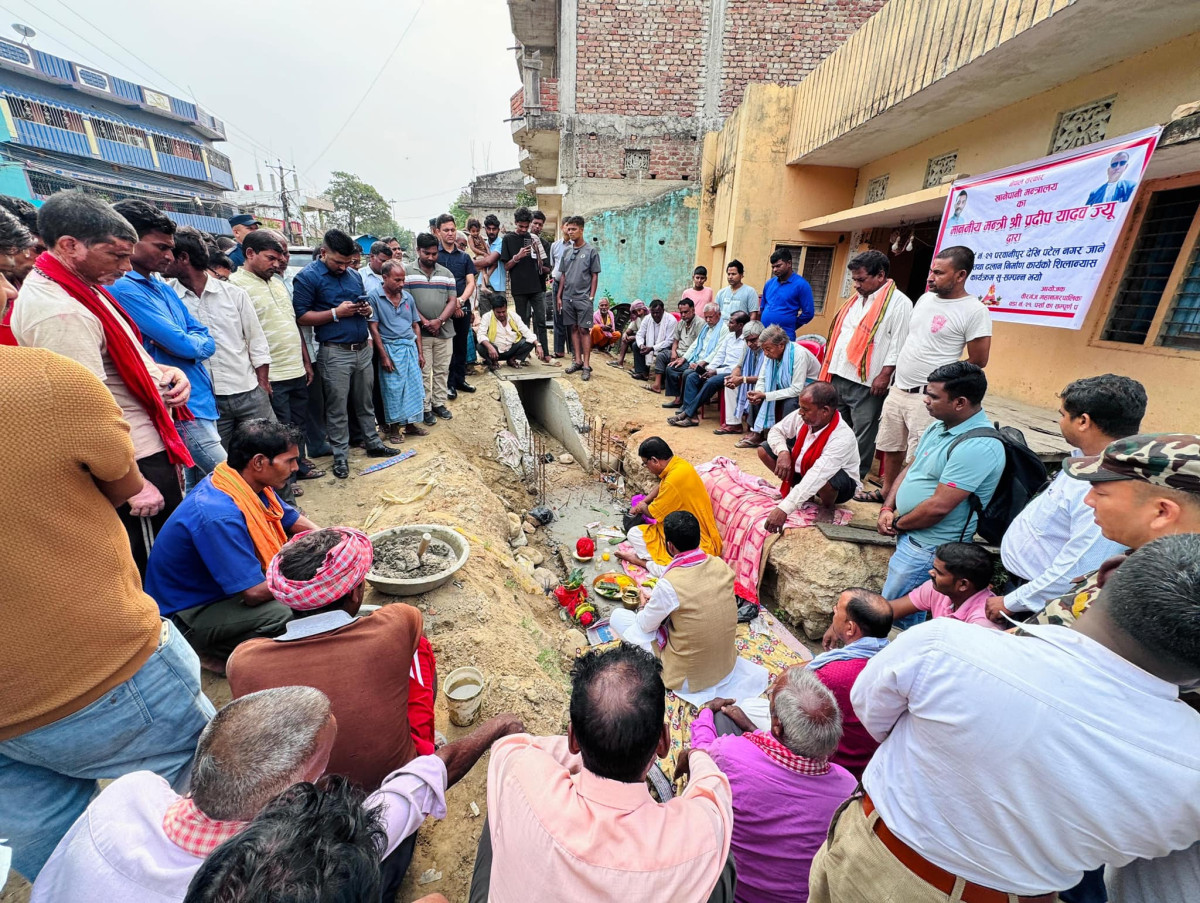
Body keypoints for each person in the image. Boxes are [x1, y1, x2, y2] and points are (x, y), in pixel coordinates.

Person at [810, 534, 1200, 903]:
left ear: (1108, 572)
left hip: (875, 859)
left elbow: (875, 720)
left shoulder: (943, 649)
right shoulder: (1191, 765)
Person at [0, 344, 212, 882]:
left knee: (67, 868)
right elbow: (123, 482)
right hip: (100, 672)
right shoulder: (43, 379)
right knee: (212, 819)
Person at [12, 191, 193, 575]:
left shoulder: (84, 288)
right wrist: (132, 484)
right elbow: (85, 414)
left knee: (169, 557)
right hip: (133, 461)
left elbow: (131, 358)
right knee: (155, 567)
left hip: (146, 446)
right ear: (69, 245)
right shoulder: (60, 311)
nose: (127, 267)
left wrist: (168, 375)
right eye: (116, 255)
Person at [470, 644, 735, 903]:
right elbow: (714, 789)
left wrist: (591, 744)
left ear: (573, 739)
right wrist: (696, 754)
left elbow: (519, 745)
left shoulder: (520, 770)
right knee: (722, 864)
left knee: (505, 797)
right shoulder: (697, 836)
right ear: (663, 743)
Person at [228, 528, 428, 791]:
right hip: (393, 788)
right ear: (356, 593)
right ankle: (425, 746)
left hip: (301, 809)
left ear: (288, 599)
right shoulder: (398, 623)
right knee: (419, 648)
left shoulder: (243, 662)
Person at [145, 420, 319, 671]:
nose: (295, 468)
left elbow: (289, 518)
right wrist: (313, 577)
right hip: (190, 611)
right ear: (259, 462)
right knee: (297, 609)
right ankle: (213, 651)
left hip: (218, 591)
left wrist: (335, 540)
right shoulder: (218, 513)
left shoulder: (242, 482)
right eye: (290, 461)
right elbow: (253, 594)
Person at [986, 374, 1146, 622]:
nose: (1059, 420)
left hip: (1040, 602)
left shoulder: (1108, 485)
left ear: (1083, 421)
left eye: (1062, 414)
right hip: (1026, 589)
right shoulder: (1086, 460)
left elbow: (1079, 566)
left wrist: (1013, 602)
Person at [688, 668, 857, 903]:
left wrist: (706, 712)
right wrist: (753, 731)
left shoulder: (730, 756)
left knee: (719, 719)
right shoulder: (847, 788)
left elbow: (700, 753)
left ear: (777, 726)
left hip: (732, 892)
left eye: (770, 698)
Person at [108, 201, 224, 492]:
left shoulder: (159, 286)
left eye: (171, 248)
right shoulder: (123, 289)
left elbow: (199, 335)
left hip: (196, 395)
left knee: (201, 485)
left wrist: (192, 342)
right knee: (232, 478)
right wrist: (192, 343)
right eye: (161, 247)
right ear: (130, 241)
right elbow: (183, 343)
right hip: (179, 403)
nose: (169, 256)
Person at [877, 362, 1005, 626]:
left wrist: (898, 524)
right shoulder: (940, 426)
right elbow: (912, 467)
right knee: (896, 609)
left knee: (897, 620)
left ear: (960, 402)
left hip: (928, 546)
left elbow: (938, 507)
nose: (925, 400)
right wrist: (887, 508)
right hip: (912, 536)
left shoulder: (978, 446)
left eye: (934, 396)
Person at [1033, 432, 1200, 627]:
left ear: (1162, 512)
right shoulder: (1149, 565)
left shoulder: (1164, 604)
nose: (1088, 500)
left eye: (1101, 492)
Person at [874, 246, 991, 502]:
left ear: (960, 275)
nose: (930, 277)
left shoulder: (974, 311)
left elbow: (979, 359)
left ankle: (902, 500)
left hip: (927, 398)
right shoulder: (926, 298)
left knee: (919, 453)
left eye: (938, 273)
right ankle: (886, 492)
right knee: (891, 446)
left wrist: (943, 387)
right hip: (899, 388)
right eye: (931, 271)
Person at [293, 229, 399, 479]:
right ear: (323, 253)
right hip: (334, 352)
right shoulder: (307, 278)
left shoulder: (353, 275)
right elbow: (301, 317)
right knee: (337, 407)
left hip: (362, 347)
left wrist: (363, 309)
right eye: (338, 262)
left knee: (365, 401)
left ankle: (372, 443)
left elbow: (363, 305)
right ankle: (340, 456)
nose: (343, 267)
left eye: (347, 262)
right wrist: (335, 313)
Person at [611, 511, 745, 700]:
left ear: (670, 546)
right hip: (726, 667)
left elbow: (645, 625)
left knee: (619, 617)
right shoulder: (720, 565)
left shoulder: (670, 584)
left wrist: (644, 605)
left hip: (689, 680)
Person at [166, 226, 275, 449]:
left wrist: (262, 385)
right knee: (223, 464)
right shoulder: (167, 297)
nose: (164, 258)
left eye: (169, 252)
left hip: (247, 389)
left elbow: (256, 341)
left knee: (269, 448)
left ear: (184, 258)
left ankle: (278, 487)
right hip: (203, 400)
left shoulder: (234, 294)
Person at [230, 229, 321, 480]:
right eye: (270, 258)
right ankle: (285, 480)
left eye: (279, 259)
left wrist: (306, 361)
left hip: (296, 369)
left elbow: (293, 324)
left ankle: (298, 466)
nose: (276, 264)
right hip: (272, 374)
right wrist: (261, 377)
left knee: (297, 426)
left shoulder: (278, 284)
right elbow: (242, 336)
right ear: (250, 253)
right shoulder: (235, 287)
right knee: (278, 432)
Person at [817, 250, 913, 481]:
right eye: (854, 280)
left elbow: (899, 343)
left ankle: (853, 477)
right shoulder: (856, 300)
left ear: (880, 276)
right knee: (837, 426)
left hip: (867, 380)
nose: (856, 285)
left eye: (861, 279)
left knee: (862, 431)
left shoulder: (899, 303)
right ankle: (832, 468)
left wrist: (885, 374)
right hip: (839, 373)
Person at [809, 588, 892, 780]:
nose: (833, 611)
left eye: (837, 609)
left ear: (850, 628)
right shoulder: (892, 658)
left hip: (834, 764)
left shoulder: (832, 675)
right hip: (870, 763)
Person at [759, 381, 860, 532]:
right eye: (801, 408)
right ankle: (804, 495)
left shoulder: (843, 436)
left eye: (805, 409)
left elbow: (819, 473)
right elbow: (776, 431)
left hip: (838, 484)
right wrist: (783, 451)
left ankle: (827, 506)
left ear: (825, 411)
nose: (800, 413)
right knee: (764, 450)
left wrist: (784, 509)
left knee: (826, 475)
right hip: (808, 470)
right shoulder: (803, 415)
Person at [623, 437, 723, 567]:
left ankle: (658, 565)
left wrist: (642, 507)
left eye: (645, 463)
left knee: (634, 534)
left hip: (695, 541)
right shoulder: (678, 464)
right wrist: (644, 501)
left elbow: (653, 513)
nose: (646, 467)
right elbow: (661, 485)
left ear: (654, 460)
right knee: (637, 533)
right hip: (685, 530)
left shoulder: (673, 480)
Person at [366, 259, 428, 442]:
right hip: (390, 348)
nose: (401, 284)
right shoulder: (374, 297)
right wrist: (384, 356)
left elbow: (415, 326)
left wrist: (420, 352)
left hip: (409, 347)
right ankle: (394, 429)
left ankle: (410, 425)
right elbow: (373, 328)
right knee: (392, 389)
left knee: (414, 387)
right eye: (397, 280)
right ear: (385, 277)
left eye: (403, 280)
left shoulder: (408, 297)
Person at [740, 324, 821, 448]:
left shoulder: (799, 354)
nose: (765, 353)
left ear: (781, 345)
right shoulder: (770, 354)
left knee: (791, 403)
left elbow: (797, 389)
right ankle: (757, 432)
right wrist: (759, 392)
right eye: (764, 350)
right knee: (757, 395)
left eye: (768, 349)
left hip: (808, 389)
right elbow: (762, 378)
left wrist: (766, 395)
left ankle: (788, 442)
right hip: (785, 385)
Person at [888, 542, 1000, 630]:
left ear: (963, 584)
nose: (931, 572)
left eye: (938, 572)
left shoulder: (982, 623)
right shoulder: (939, 589)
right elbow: (889, 611)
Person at [408, 232, 459, 426]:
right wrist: (424, 322)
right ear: (418, 250)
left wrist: (439, 321)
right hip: (420, 334)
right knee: (423, 371)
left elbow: (452, 300)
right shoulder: (407, 272)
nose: (430, 257)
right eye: (426, 253)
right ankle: (425, 407)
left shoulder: (446, 274)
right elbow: (407, 302)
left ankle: (439, 403)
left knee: (441, 370)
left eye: (434, 253)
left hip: (444, 331)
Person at [669, 310, 749, 427]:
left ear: (740, 325)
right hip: (719, 369)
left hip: (732, 373)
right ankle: (693, 416)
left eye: (731, 323)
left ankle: (687, 413)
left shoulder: (746, 341)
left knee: (711, 382)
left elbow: (739, 366)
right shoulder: (730, 337)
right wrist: (709, 369)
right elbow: (719, 356)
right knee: (692, 376)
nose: (728, 324)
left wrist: (716, 371)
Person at [435, 214, 479, 398]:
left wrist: (460, 301)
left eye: (453, 229)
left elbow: (470, 282)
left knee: (461, 344)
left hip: (463, 306)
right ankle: (448, 384)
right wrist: (451, 304)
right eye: (446, 230)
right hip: (443, 309)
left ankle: (460, 380)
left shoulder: (464, 257)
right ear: (438, 232)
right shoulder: (434, 256)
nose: (450, 233)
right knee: (447, 347)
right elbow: (435, 284)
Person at [554, 214, 602, 380]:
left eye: (574, 229)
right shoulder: (566, 251)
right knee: (573, 328)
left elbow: (594, 275)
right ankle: (577, 361)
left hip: (583, 298)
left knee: (584, 330)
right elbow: (564, 276)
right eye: (569, 229)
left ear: (581, 230)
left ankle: (587, 365)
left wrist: (591, 297)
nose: (571, 232)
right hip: (568, 297)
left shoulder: (590, 251)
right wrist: (559, 296)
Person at [501, 207, 551, 361]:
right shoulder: (508, 239)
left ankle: (545, 354)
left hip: (536, 287)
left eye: (526, 226)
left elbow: (545, 268)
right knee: (522, 321)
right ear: (515, 223)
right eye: (520, 226)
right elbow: (506, 267)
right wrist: (517, 257)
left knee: (540, 321)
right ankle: (523, 353)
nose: (523, 230)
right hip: (519, 288)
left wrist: (539, 259)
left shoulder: (535, 239)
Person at [662, 301, 726, 402]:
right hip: (695, 359)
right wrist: (683, 358)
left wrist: (702, 363)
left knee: (688, 374)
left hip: (708, 364)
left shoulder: (724, 329)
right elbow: (695, 344)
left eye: (711, 317)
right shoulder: (706, 327)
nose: (708, 320)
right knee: (671, 368)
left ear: (719, 315)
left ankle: (688, 404)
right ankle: (677, 399)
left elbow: (717, 351)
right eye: (706, 317)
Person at [720, 320, 766, 437]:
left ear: (762, 336)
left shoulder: (768, 347)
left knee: (755, 390)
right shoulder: (747, 346)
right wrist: (734, 377)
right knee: (729, 384)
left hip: (764, 383)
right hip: (749, 378)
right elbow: (739, 366)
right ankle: (734, 424)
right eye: (747, 340)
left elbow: (764, 378)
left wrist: (742, 379)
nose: (750, 344)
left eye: (753, 340)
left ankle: (755, 430)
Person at [760, 248, 814, 339]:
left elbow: (808, 313)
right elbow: (763, 307)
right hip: (765, 335)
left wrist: (791, 325)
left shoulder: (801, 285)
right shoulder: (769, 284)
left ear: (789, 263)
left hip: (784, 336)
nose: (775, 270)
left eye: (778, 266)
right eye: (773, 267)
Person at [475, 294, 539, 369]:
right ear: (493, 310)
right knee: (480, 346)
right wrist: (490, 347)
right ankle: (493, 362)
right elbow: (480, 335)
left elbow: (526, 331)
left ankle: (512, 359)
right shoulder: (487, 317)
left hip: (511, 349)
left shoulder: (513, 316)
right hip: (494, 351)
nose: (502, 314)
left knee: (530, 342)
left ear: (506, 308)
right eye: (498, 312)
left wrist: (538, 344)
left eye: (503, 311)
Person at [651, 296, 700, 392]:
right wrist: (673, 351)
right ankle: (657, 385)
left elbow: (698, 346)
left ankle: (678, 395)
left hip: (691, 356)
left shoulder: (700, 324)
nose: (683, 315)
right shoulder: (681, 323)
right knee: (662, 355)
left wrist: (683, 357)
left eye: (686, 312)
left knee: (672, 368)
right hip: (678, 352)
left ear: (693, 310)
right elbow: (675, 340)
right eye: (681, 312)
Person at [631, 298, 677, 380]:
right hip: (650, 344)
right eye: (653, 313)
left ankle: (662, 379)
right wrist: (641, 345)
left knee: (664, 352)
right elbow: (640, 334)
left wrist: (652, 348)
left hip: (665, 346)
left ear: (663, 310)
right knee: (636, 345)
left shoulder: (671, 320)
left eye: (657, 313)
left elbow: (669, 341)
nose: (655, 315)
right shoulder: (647, 318)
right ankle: (642, 373)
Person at [609, 299, 649, 367]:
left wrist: (634, 337)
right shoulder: (636, 317)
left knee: (635, 343)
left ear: (643, 308)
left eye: (639, 310)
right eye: (636, 312)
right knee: (626, 338)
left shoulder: (649, 318)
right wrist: (625, 334)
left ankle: (638, 368)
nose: (638, 313)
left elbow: (648, 335)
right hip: (640, 338)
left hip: (648, 341)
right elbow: (629, 330)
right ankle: (620, 362)